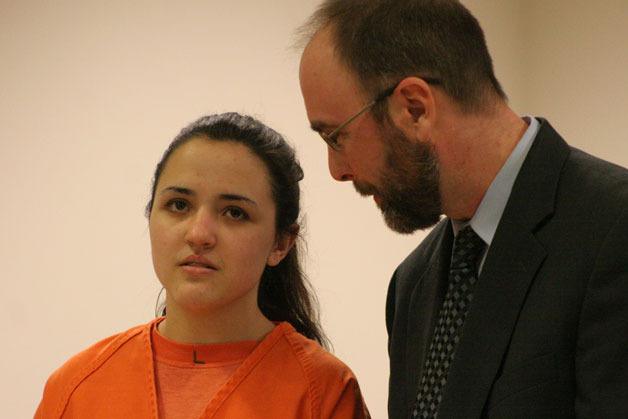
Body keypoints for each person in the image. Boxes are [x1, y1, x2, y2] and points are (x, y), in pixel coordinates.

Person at [298, 1, 628, 418]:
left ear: (415, 108)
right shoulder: (411, 284)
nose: (337, 171)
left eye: (335, 137)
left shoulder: (614, 229)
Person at [35, 113, 370, 419]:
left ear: (281, 243)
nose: (198, 235)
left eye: (235, 213)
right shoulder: (76, 388)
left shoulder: (324, 393)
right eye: (179, 205)